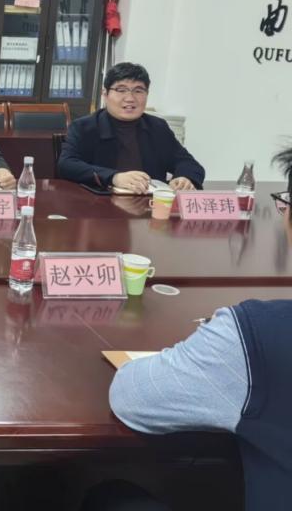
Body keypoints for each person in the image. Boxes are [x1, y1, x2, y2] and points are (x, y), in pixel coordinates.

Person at [105, 146, 292, 511]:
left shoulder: (258, 337)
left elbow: (131, 397)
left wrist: (212, 346)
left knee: (111, 498)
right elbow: (71, 164)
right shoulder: (88, 128)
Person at [58, 62, 204, 193]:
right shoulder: (84, 127)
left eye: (138, 91)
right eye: (121, 90)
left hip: (148, 206)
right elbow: (67, 165)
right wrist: (114, 177)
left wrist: (185, 178)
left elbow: (188, 163)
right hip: (99, 204)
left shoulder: (157, 127)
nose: (130, 98)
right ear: (105, 94)